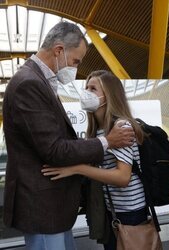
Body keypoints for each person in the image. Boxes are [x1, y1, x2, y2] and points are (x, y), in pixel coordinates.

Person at [3, 22, 134, 250]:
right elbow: (54, 149)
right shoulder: (30, 83)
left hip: (51, 206)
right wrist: (107, 142)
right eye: (76, 61)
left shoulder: (38, 81)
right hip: (43, 207)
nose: (75, 67)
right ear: (59, 50)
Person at [42, 70, 148, 250]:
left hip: (130, 211)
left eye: (93, 89)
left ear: (109, 95)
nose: (87, 93)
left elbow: (123, 177)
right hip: (113, 209)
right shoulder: (98, 130)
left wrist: (78, 168)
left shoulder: (120, 126)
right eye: (86, 88)